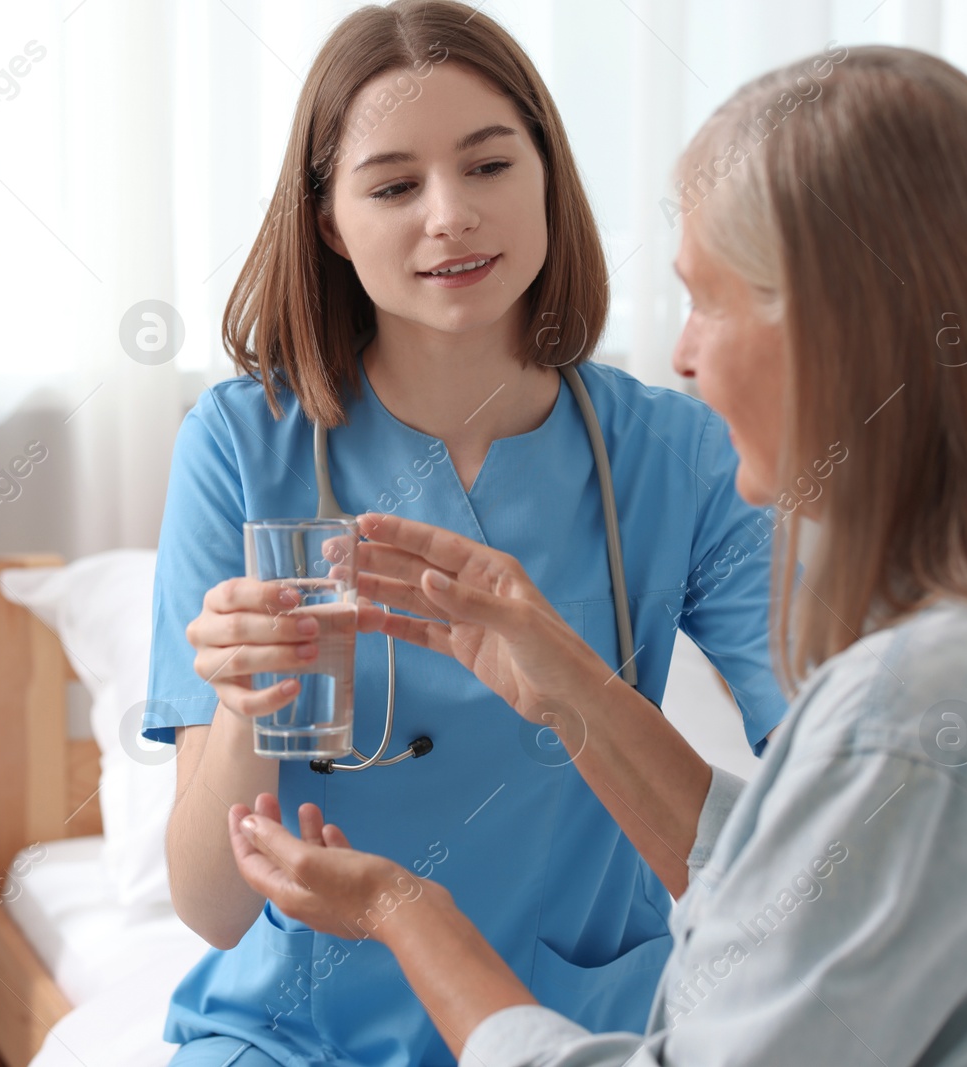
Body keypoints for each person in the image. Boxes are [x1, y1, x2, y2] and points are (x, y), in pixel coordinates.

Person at [227, 45, 967, 1065]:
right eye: (394, 183)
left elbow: (845, 833)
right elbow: (817, 881)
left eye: (707, 299)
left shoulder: (904, 713)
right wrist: (573, 686)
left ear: (845, 327)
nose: (681, 353)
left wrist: (407, 911)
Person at [143, 2, 789, 1063]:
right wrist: (243, 699)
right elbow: (211, 907)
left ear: (546, 173)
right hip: (296, 1031)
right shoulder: (241, 447)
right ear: (328, 221)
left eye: (488, 165)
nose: (449, 215)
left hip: (586, 1021)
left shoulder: (679, 453)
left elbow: (827, 776)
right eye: (394, 185)